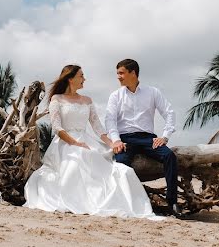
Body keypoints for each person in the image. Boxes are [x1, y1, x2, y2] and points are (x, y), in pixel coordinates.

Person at [23, 64, 159, 219]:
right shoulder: (57, 99)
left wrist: (111, 143)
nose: (84, 79)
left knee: (120, 171)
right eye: (81, 76)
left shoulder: (87, 100)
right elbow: (57, 127)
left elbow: (97, 126)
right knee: (74, 166)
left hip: (86, 139)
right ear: (70, 78)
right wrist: (74, 143)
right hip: (66, 142)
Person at [105, 58, 182, 218]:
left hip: (148, 139)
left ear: (133, 73)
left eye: (121, 73)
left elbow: (169, 113)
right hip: (125, 139)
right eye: (117, 73)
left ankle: (172, 203)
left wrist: (165, 136)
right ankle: (125, 203)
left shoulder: (153, 92)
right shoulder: (115, 96)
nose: (118, 76)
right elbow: (110, 119)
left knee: (169, 156)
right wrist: (116, 140)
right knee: (121, 164)